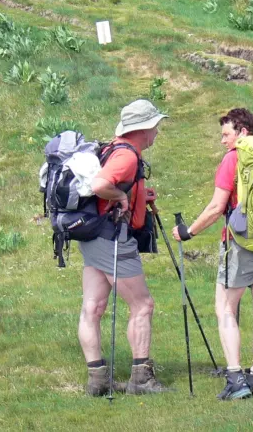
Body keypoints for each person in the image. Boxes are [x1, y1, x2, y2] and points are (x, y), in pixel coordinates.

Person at [172, 108, 253, 400]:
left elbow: (216, 207)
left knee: (225, 307)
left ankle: (235, 378)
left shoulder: (233, 159)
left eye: (226, 134)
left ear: (243, 132)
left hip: (240, 242)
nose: (222, 140)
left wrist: (188, 231)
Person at [78, 99, 169, 396]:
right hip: (112, 237)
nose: (157, 131)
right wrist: (122, 198)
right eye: (155, 126)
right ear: (143, 129)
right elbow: (100, 185)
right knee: (143, 305)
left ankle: (98, 381)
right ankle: (141, 379)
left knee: (93, 308)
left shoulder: (112, 148)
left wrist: (139, 196)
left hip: (93, 238)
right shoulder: (127, 157)